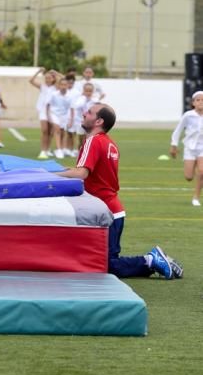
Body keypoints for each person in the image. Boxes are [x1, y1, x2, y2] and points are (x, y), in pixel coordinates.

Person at [57, 102, 183, 280]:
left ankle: (150, 260)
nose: (84, 114)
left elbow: (81, 173)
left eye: (90, 112)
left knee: (108, 265)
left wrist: (51, 176)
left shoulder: (92, 141)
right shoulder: (109, 143)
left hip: (104, 213)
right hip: (111, 210)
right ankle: (150, 261)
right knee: (100, 261)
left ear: (99, 121)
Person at [170, 90, 203, 207]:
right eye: (198, 100)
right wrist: (174, 146)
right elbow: (178, 131)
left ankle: (196, 198)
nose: (201, 102)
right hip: (189, 148)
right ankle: (194, 166)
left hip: (202, 148)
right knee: (188, 177)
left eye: (202, 100)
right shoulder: (188, 115)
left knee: (202, 171)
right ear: (193, 103)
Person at [29, 68, 59, 159]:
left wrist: (57, 73)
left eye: (49, 78)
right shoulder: (42, 86)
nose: (47, 80)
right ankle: (43, 151)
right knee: (44, 130)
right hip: (43, 111)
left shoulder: (56, 87)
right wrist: (38, 72)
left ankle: (47, 149)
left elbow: (65, 80)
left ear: (53, 79)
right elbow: (31, 80)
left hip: (52, 111)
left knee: (50, 132)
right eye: (46, 78)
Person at [46, 76, 73, 159]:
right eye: (62, 84)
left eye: (65, 84)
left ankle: (60, 148)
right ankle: (59, 149)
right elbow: (48, 105)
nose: (63, 86)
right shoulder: (54, 94)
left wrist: (70, 120)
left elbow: (71, 109)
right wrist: (49, 116)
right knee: (57, 129)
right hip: (54, 114)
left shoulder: (70, 96)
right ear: (59, 85)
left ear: (67, 85)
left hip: (64, 116)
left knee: (62, 132)